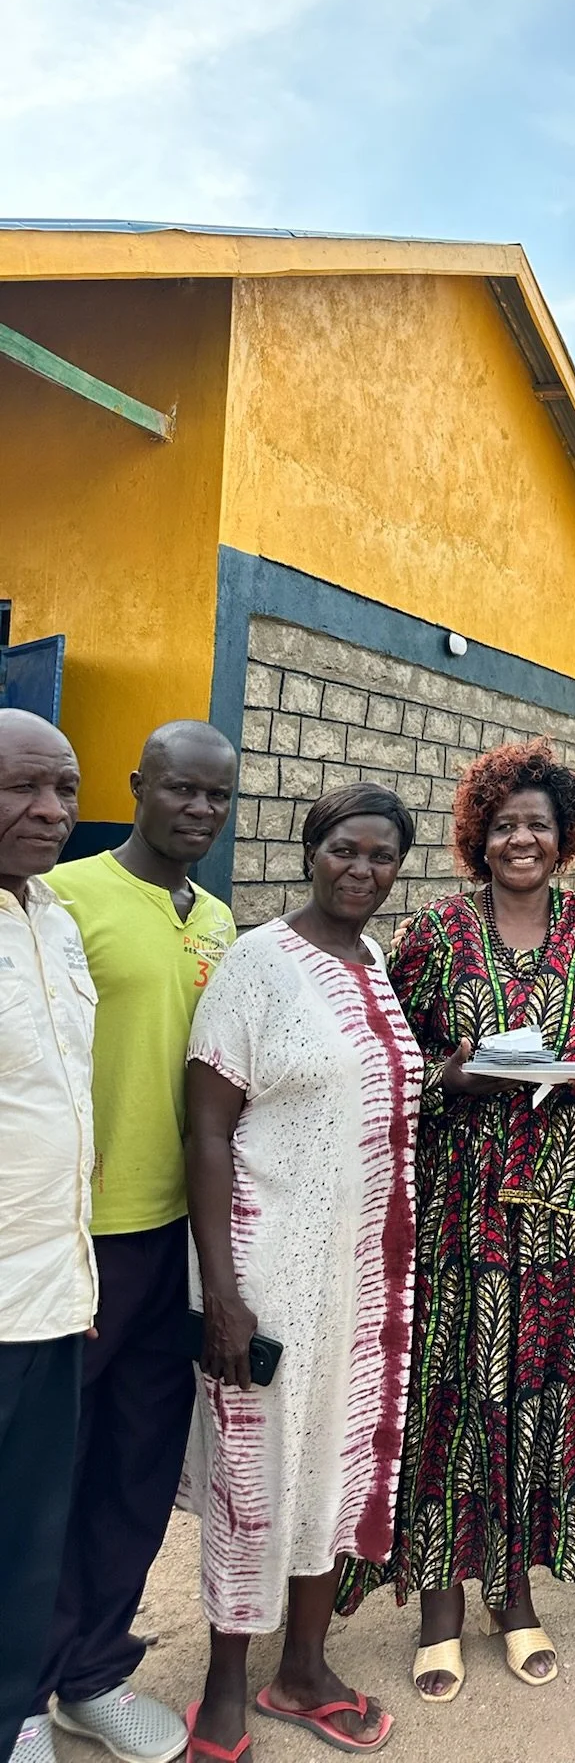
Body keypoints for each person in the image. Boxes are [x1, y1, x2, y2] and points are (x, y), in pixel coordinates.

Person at [338, 740, 575, 1699]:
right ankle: (438, 1603)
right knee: (455, 1393)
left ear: (566, 839)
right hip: (460, 1213)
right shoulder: (432, 934)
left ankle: (515, 1596)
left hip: (561, 1211)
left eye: (539, 827)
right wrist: (451, 1076)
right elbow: (395, 1062)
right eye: (506, 825)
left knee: (539, 1396)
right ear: (480, 836)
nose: (522, 839)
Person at [180, 783, 421, 1763]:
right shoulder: (256, 961)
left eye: (381, 857)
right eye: (345, 850)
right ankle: (225, 1684)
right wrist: (224, 1293)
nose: (362, 870)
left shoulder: (372, 961)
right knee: (255, 1472)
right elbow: (203, 1128)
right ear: (310, 849)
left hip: (362, 1275)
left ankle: (306, 1667)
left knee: (336, 1463)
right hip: (268, 1267)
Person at [29, 723, 238, 1763]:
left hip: (177, 1240)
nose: (199, 809)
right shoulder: (62, 897)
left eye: (217, 796)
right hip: (78, 1238)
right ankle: (18, 1690)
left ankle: (91, 1672)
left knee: (137, 1461)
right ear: (137, 786)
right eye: (180, 789)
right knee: (41, 1473)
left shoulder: (220, 919)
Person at [0, 712, 96, 1763]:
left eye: (64, 789)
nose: (51, 811)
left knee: (28, 1531)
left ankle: (14, 1710)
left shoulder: (55, 918)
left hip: (53, 1287)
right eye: (23, 788)